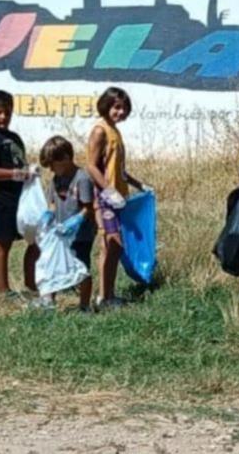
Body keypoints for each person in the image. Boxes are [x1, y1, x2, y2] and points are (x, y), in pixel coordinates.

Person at [86, 87, 146, 310]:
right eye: (116, 107)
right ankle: (104, 297)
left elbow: (118, 168)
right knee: (113, 244)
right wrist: (108, 192)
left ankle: (108, 294)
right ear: (106, 105)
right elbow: (91, 166)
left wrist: (138, 184)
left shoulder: (115, 131)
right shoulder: (100, 131)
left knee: (114, 247)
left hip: (120, 196)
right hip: (105, 198)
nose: (120, 112)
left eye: (123, 108)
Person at [0, 90, 39, 301]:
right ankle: (4, 291)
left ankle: (31, 284)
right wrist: (15, 174)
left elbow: (20, 163)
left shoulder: (14, 137)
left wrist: (30, 172)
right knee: (3, 243)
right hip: (1, 198)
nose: (3, 117)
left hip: (20, 198)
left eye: (7, 112)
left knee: (35, 239)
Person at [28, 136, 96, 312]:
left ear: (65, 158)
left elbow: (88, 207)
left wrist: (77, 220)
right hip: (59, 233)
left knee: (81, 268)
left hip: (80, 234)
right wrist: (48, 215)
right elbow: (52, 202)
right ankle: (49, 301)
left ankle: (84, 305)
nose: (50, 169)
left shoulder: (82, 179)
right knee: (53, 265)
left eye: (52, 164)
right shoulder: (56, 180)